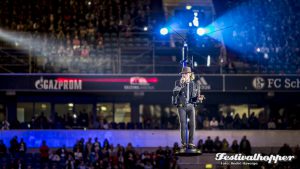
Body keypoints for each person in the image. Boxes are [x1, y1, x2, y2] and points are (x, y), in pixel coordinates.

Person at [172, 67, 205, 149]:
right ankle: (183, 143)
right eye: (183, 73)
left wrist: (199, 98)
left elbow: (195, 98)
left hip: (191, 106)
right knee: (183, 124)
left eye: (186, 73)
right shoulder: (178, 83)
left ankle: (190, 142)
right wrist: (181, 84)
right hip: (181, 106)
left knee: (193, 124)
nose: (184, 75)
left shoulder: (195, 84)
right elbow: (175, 93)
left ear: (190, 74)